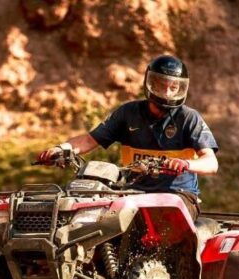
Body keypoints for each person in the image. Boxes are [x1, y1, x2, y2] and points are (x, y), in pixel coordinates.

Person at [36, 55, 218, 220]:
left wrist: (186, 164)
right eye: (162, 85)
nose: (168, 92)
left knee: (165, 219)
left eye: (174, 87)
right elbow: (89, 140)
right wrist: (62, 149)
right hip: (131, 193)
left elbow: (211, 162)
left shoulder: (189, 117)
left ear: (182, 88)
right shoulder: (127, 113)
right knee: (93, 219)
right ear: (150, 83)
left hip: (177, 196)